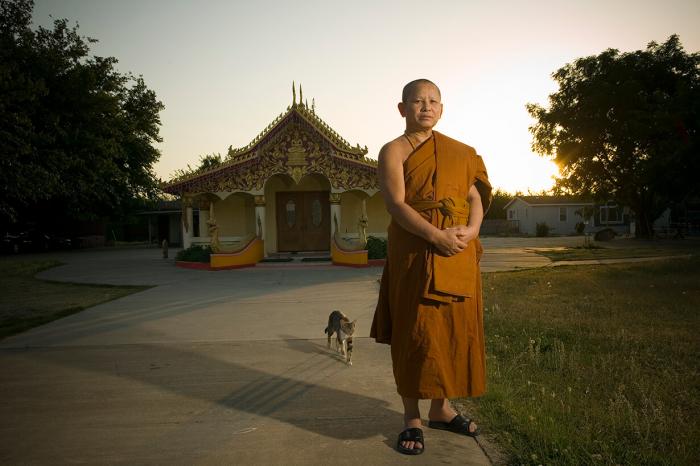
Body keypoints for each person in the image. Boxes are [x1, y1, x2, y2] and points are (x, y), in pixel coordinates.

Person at [370, 79, 492, 455]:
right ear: (402, 108)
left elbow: (475, 197)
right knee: (416, 333)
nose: (426, 106)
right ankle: (412, 418)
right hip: (414, 251)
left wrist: (470, 233)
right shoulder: (393, 150)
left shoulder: (459, 152)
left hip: (457, 252)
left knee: (453, 332)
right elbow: (396, 204)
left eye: (433, 101)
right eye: (417, 101)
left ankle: (441, 408)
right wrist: (434, 236)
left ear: (441, 108)